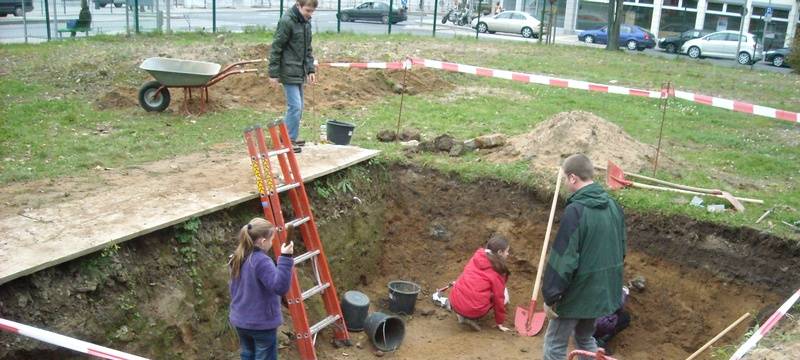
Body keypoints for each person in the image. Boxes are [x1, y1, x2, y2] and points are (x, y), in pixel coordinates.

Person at [541, 154, 626, 360]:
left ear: (572, 178)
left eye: (564, 178)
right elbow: (622, 249)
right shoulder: (614, 206)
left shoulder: (576, 210)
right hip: (601, 291)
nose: (564, 182)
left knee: (554, 345)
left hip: (576, 294)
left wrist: (552, 294)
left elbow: (564, 258)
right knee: (586, 338)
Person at [229, 218, 295, 360]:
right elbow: (280, 287)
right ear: (263, 241)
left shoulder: (237, 257)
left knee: (248, 354)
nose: (272, 243)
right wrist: (286, 257)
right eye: (271, 240)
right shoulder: (261, 261)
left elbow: (233, 289)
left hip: (241, 321)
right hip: (261, 324)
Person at [268, 0, 318, 153]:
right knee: (295, 106)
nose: (309, 14)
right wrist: (273, 74)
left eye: (312, 11)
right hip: (287, 70)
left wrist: (310, 70)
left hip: (299, 70)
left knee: (299, 107)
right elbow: (276, 47)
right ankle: (286, 140)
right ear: (298, 5)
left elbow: (307, 49)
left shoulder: (306, 23)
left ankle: (292, 137)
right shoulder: (287, 21)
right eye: (307, 10)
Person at [448, 234, 512, 332]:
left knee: (469, 287)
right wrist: (500, 322)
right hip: (474, 310)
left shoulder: (477, 257)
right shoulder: (497, 271)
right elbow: (498, 298)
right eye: (507, 251)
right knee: (504, 295)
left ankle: (461, 314)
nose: (508, 254)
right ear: (499, 252)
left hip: (454, 301)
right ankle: (470, 316)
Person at [594, 287, 631, 351]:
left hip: (583, 324)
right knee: (626, 318)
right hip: (599, 324)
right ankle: (600, 341)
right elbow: (619, 306)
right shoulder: (619, 295)